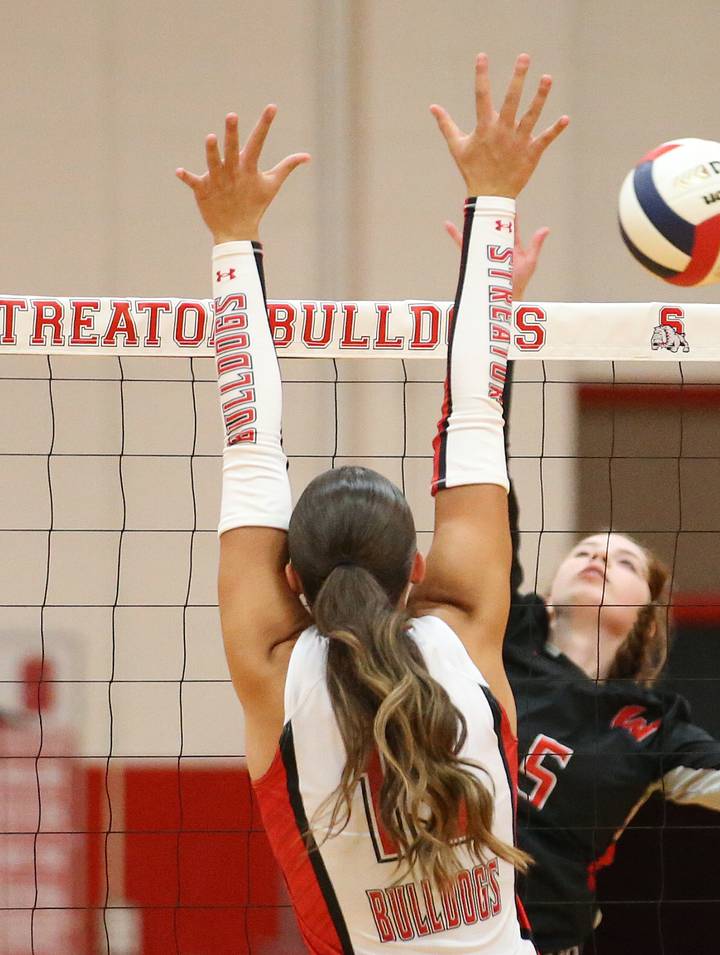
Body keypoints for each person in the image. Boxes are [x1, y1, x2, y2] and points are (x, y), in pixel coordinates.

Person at [177, 51, 567, 953]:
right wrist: (493, 203)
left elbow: (249, 450)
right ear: (417, 572)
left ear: (289, 576)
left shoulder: (276, 678)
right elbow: (474, 413)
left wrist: (232, 240)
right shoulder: (467, 632)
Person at [440, 212, 720, 955]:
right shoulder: (505, 632)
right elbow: (483, 473)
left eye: (621, 563)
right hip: (440, 924)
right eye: (586, 549)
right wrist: (495, 309)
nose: (596, 558)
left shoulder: (651, 725)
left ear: (648, 616)